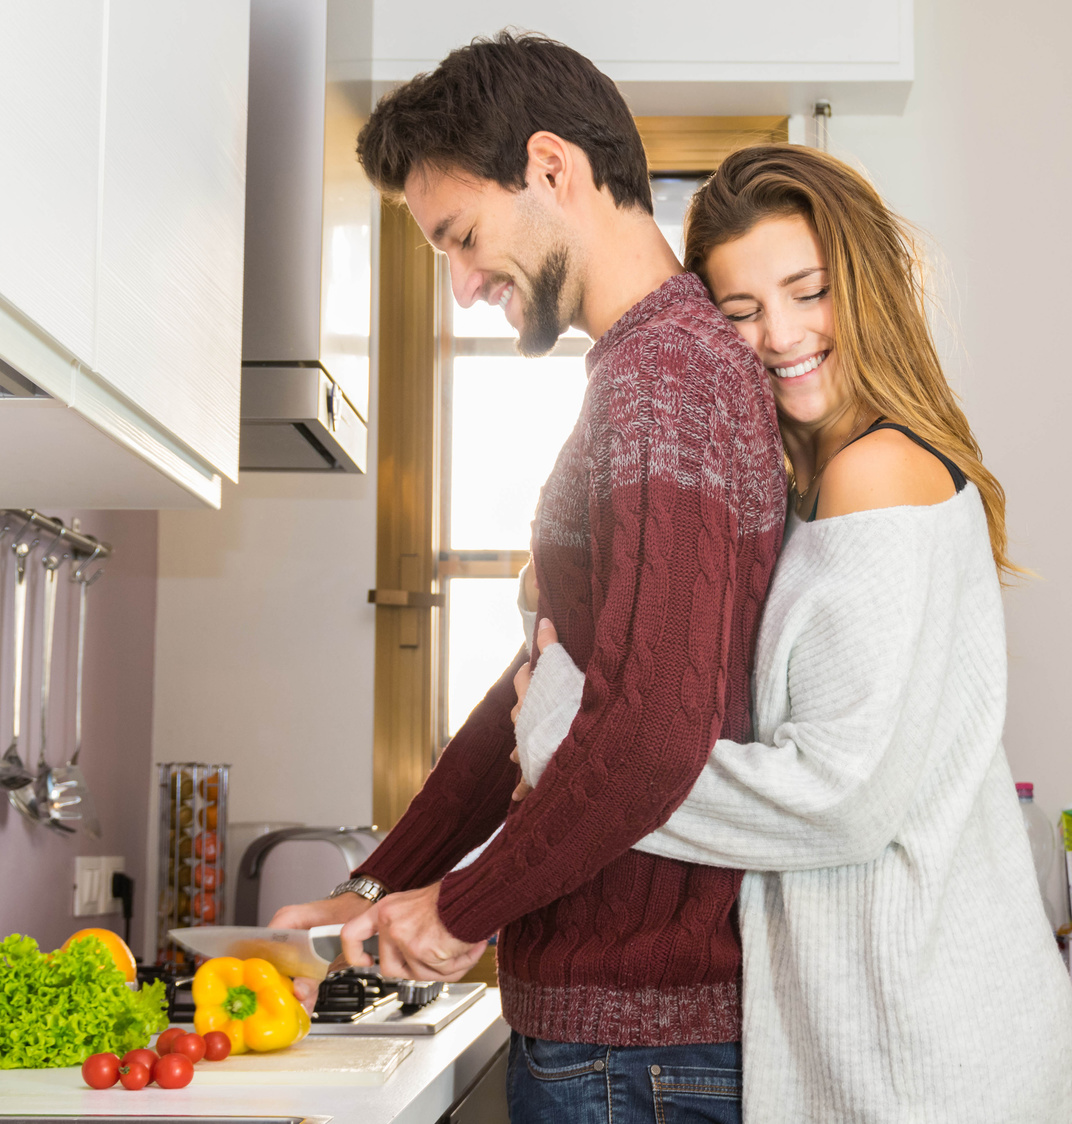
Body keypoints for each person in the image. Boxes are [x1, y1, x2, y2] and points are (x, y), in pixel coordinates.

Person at [267, 32, 788, 1124]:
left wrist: (461, 908)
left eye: (461, 237)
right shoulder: (641, 377)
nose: (459, 289)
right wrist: (377, 885)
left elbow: (651, 730)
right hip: (620, 1034)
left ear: (552, 167)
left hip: (641, 1042)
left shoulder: (668, 377)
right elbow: (534, 685)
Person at [511, 145, 1072, 1122]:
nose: (779, 335)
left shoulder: (876, 472)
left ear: (861, 286)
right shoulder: (818, 482)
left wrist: (565, 734)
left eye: (806, 290)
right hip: (894, 1030)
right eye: (739, 311)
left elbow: (833, 801)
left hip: (921, 1052)